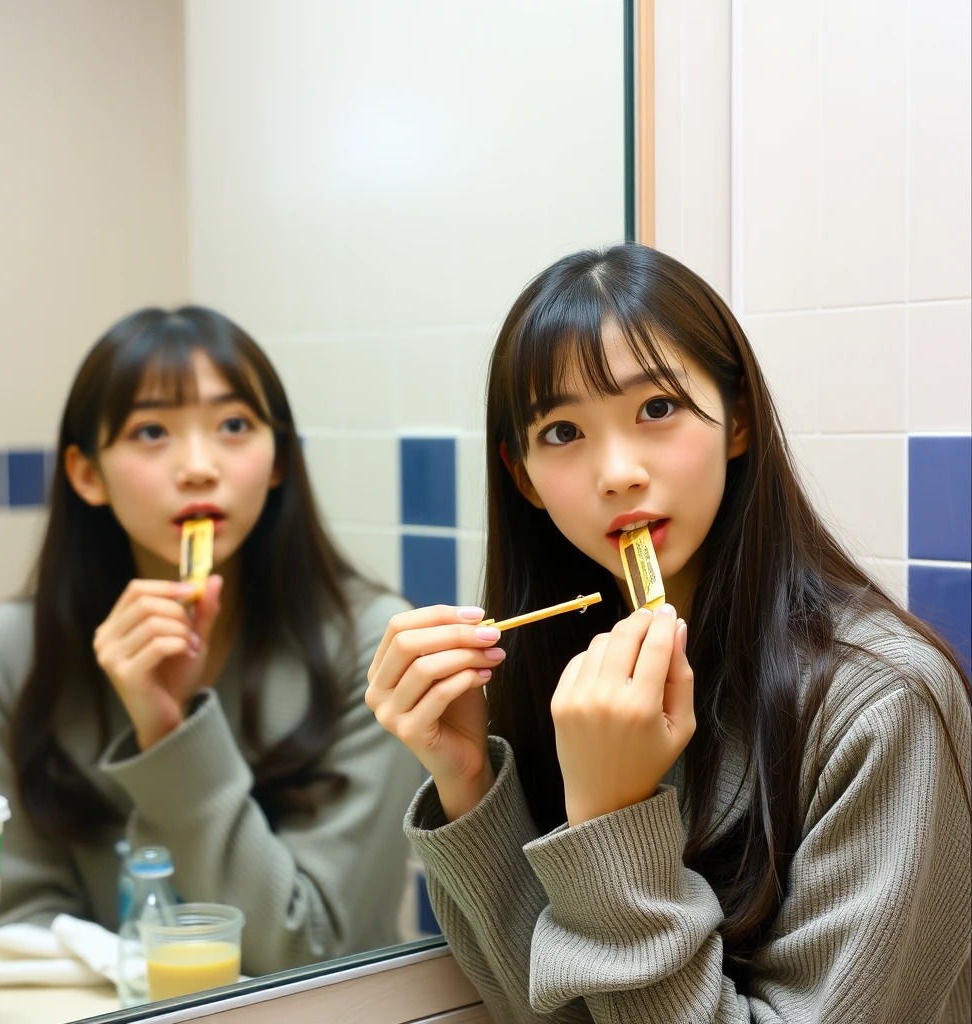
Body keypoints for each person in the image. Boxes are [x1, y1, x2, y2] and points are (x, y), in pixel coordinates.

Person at [365, 244, 972, 1021]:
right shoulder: (579, 686)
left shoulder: (884, 703)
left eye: (657, 410)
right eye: (561, 432)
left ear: (738, 421)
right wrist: (467, 783)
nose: (616, 471)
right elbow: (550, 1009)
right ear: (524, 479)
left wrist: (615, 820)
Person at [0, 306, 421, 976]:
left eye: (234, 426)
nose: (199, 467)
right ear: (87, 474)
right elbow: (21, 934)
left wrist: (169, 735)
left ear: (280, 460)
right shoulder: (11, 657)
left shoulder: (372, 646)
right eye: (151, 432)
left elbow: (313, 952)